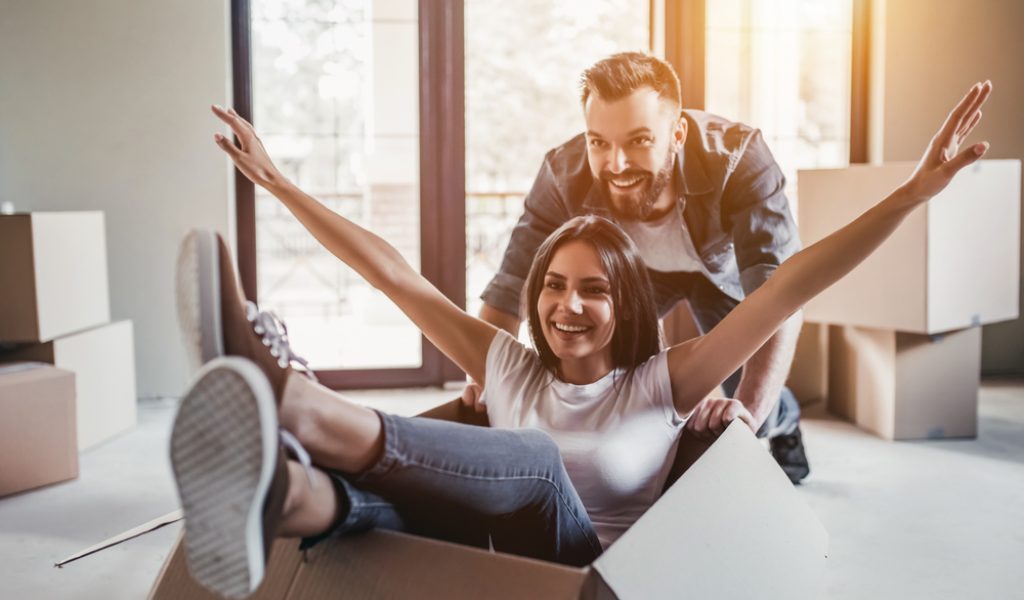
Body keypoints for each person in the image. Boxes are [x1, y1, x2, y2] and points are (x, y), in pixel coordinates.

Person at [170, 80, 991, 599]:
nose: (568, 305)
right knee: (385, 503)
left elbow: (792, 283)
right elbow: (397, 277)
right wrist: (278, 184)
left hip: (586, 572)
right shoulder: (507, 363)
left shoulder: (665, 382)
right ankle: (283, 494)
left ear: (625, 301)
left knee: (532, 460)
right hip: (494, 556)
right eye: (555, 286)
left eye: (594, 289)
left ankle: (295, 400)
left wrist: (912, 194)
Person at [466, 52, 810, 481]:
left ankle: (786, 420)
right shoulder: (562, 173)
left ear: (678, 133)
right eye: (599, 142)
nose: (617, 164)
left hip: (722, 274)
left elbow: (780, 295)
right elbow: (511, 284)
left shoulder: (740, 158)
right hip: (638, 275)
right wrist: (484, 377)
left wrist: (749, 420)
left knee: (750, 386)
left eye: (639, 140)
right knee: (619, 367)